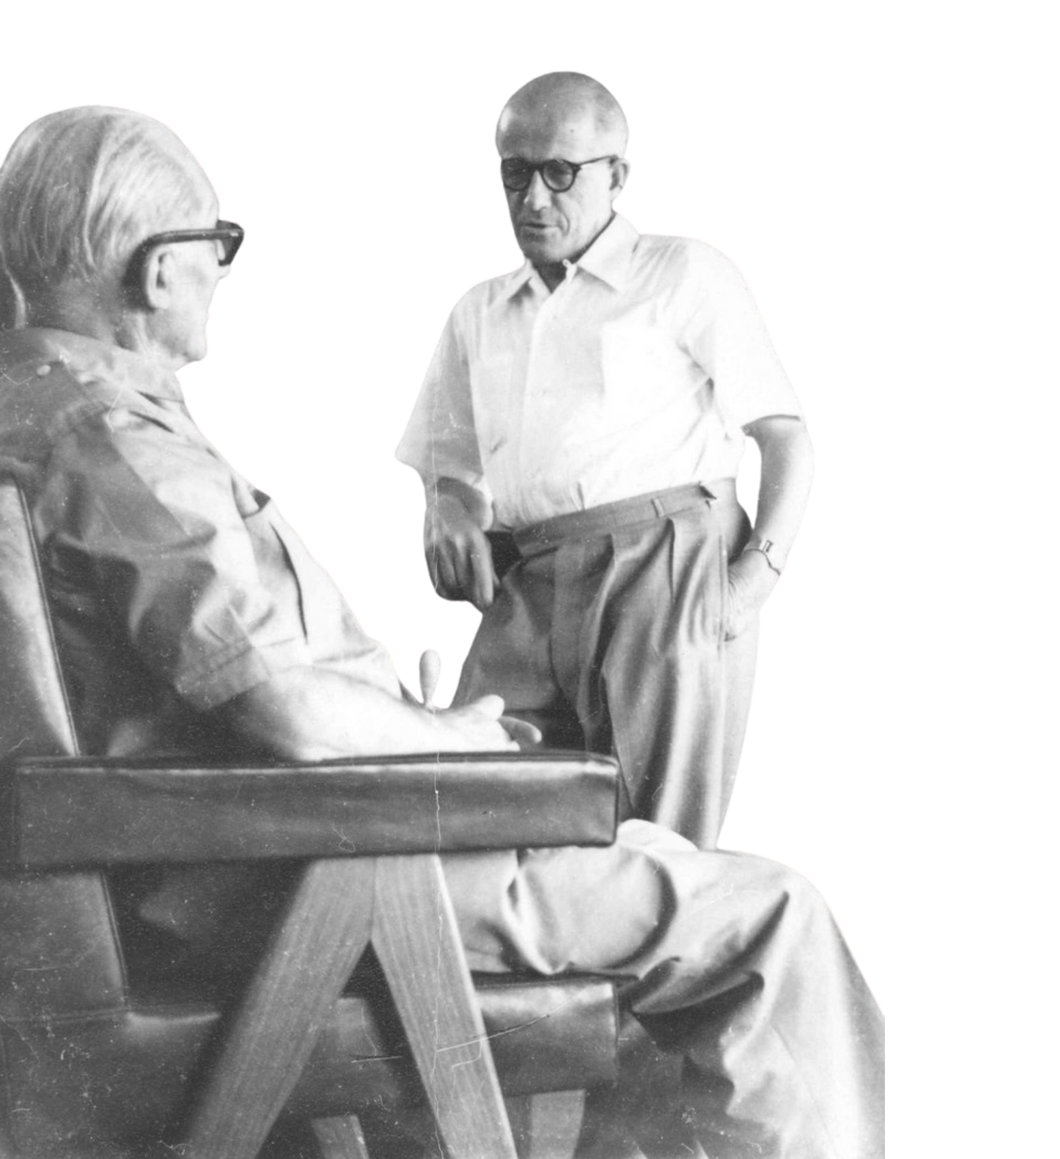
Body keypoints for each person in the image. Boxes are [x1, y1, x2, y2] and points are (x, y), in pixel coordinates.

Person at [0, 105, 884, 1158]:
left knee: (652, 856)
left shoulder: (41, 413)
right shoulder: (115, 441)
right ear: (157, 268)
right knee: (770, 914)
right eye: (219, 243)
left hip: (253, 865)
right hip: (312, 877)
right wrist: (448, 739)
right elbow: (284, 708)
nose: (225, 268)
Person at [393, 69, 818, 848]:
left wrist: (754, 579)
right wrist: (446, 508)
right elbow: (445, 461)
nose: (533, 198)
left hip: (662, 568)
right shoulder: (477, 309)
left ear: (618, 176)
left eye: (560, 172)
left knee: (652, 846)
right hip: (527, 579)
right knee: (474, 807)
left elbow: (788, 440)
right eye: (513, 172)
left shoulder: (684, 270)